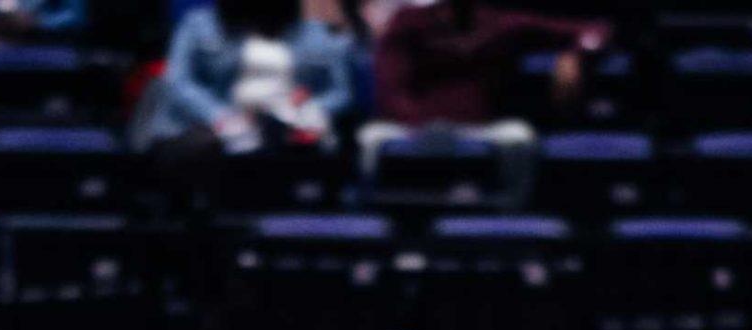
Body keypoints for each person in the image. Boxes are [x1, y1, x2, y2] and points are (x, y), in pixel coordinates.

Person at [357, 0, 607, 202]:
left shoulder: (497, 23)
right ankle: (375, 219)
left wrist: (576, 53)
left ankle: (510, 213)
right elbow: (389, 87)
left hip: (477, 128)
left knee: (519, 137)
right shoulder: (407, 23)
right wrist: (421, 125)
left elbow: (593, 30)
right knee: (370, 139)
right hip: (413, 127)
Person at [130, 0, 363, 155]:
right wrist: (220, 117)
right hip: (210, 129)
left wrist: (309, 109)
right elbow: (178, 82)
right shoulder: (199, 26)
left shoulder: (318, 35)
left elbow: (341, 93)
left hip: (289, 127)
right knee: (203, 149)